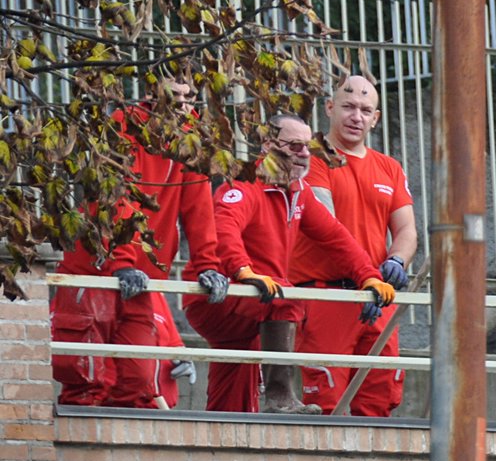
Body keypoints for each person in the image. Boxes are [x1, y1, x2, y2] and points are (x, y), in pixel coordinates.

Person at [185, 114, 394, 414]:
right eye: (295, 146)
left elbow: (336, 237)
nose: (305, 154)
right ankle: (280, 397)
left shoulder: (299, 193)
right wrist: (244, 271)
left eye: (308, 146)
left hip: (251, 298)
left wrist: (369, 277)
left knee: (234, 393)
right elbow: (224, 229)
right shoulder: (245, 185)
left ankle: (221, 449)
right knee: (287, 299)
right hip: (221, 294)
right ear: (268, 146)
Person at [51, 77, 232, 408]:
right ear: (151, 92)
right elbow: (114, 198)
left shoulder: (190, 137)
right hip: (94, 271)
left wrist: (208, 265)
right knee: (86, 381)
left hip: (142, 277)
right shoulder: (123, 124)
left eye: (189, 96)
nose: (182, 103)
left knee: (139, 381)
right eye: (173, 94)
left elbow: (199, 208)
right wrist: (122, 263)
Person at [289, 75, 417, 417]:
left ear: (375, 118)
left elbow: (406, 229)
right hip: (328, 295)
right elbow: (327, 229)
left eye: (365, 109)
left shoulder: (389, 167)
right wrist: (367, 279)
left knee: (379, 399)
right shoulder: (314, 158)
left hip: (377, 294)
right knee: (325, 402)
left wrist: (398, 261)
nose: (355, 116)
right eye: (347, 106)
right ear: (330, 108)